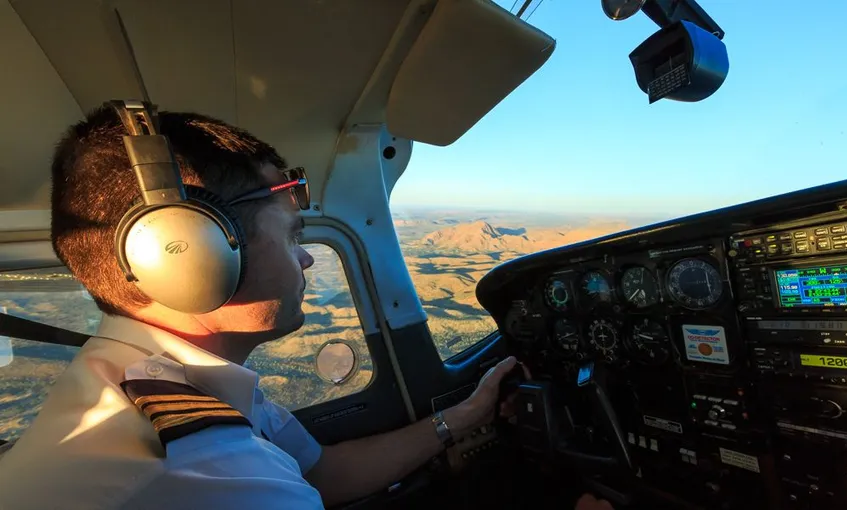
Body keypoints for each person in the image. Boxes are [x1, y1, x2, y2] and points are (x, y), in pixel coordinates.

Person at [0, 102, 612, 510]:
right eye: (293, 235)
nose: (308, 260)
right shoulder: (207, 478)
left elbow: (324, 473)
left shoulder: (166, 382)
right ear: (188, 255)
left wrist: (471, 414)